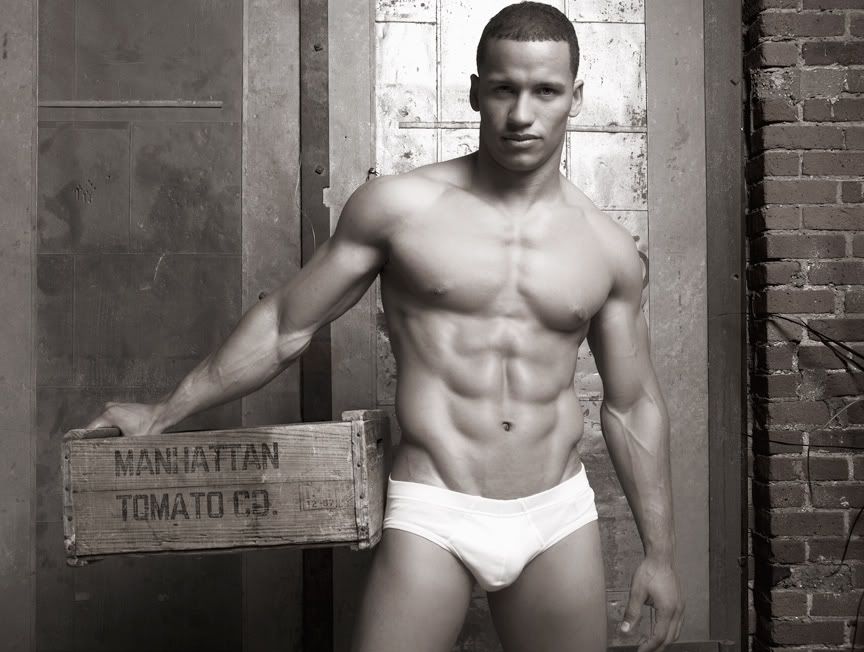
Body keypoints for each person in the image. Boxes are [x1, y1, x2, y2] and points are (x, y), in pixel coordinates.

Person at [87, 2, 684, 650]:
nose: (521, 114)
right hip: (436, 508)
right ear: (474, 92)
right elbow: (285, 325)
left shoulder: (606, 248)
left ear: (577, 97)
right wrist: (162, 413)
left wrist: (659, 554)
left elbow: (632, 405)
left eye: (545, 91)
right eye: (503, 89)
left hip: (555, 513)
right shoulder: (401, 209)